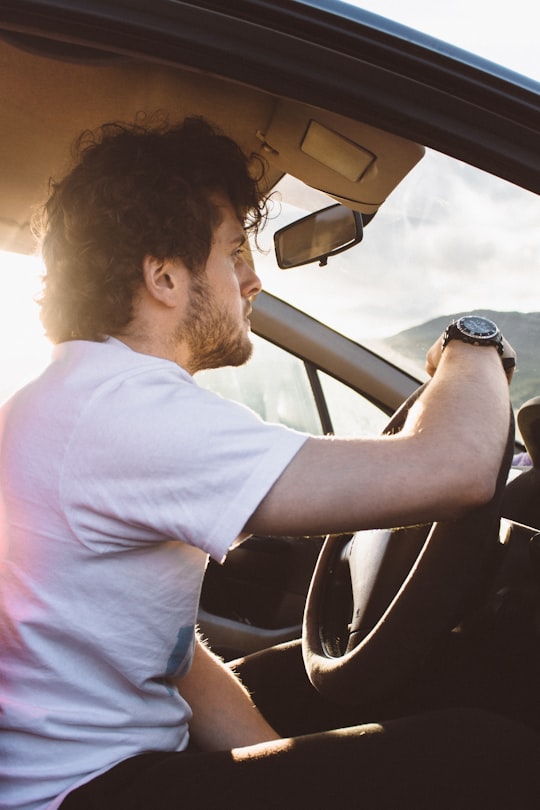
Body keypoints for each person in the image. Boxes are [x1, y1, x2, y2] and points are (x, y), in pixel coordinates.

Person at [0, 116, 538, 810]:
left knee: (401, 688)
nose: (253, 280)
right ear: (164, 276)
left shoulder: (78, 395)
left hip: (95, 770)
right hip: (83, 792)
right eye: (233, 255)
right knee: (488, 756)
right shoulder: (123, 408)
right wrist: (474, 342)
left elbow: (173, 658)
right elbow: (456, 469)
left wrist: (280, 761)